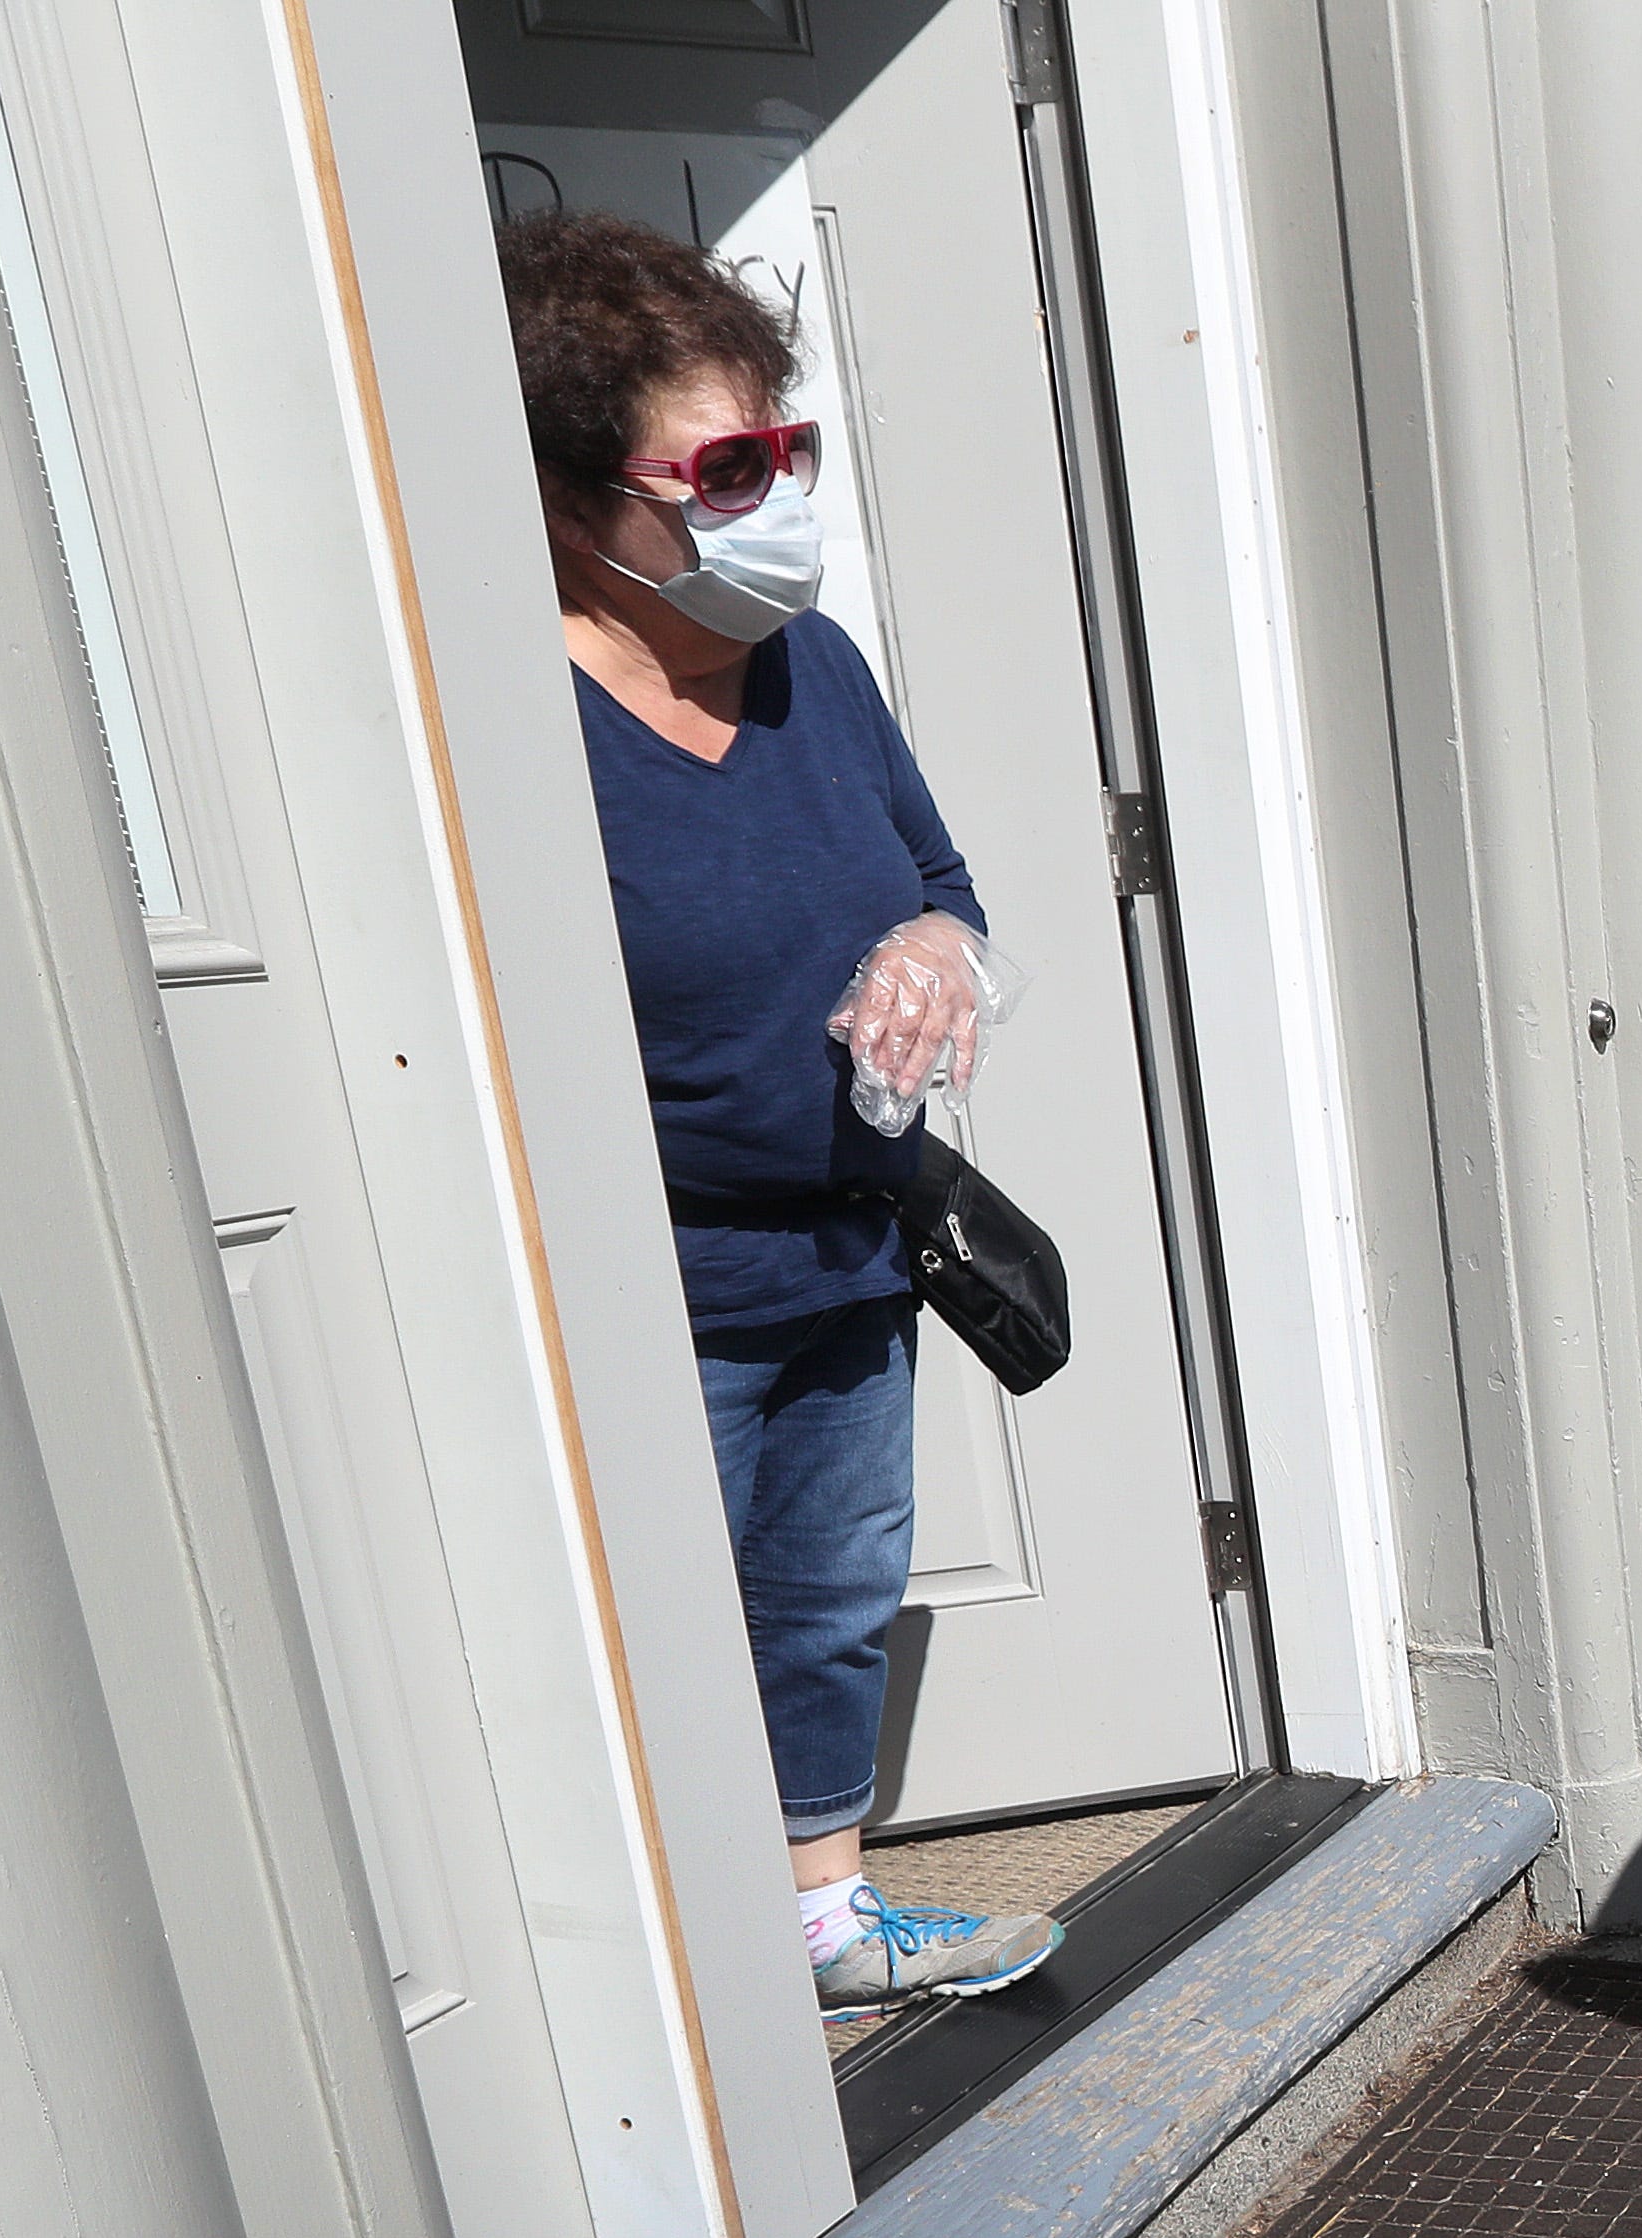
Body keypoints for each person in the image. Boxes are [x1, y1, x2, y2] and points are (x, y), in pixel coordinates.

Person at [503, 212, 1061, 2014]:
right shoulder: (504, 723)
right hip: (649, 1293)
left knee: (826, 1607)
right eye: (728, 468)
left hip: (854, 1254)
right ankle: (660, 1996)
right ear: (577, 498)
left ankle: (824, 1922)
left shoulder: (814, 673)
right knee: (638, 1645)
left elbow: (944, 878)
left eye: (786, 452)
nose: (776, 503)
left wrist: (937, 954)